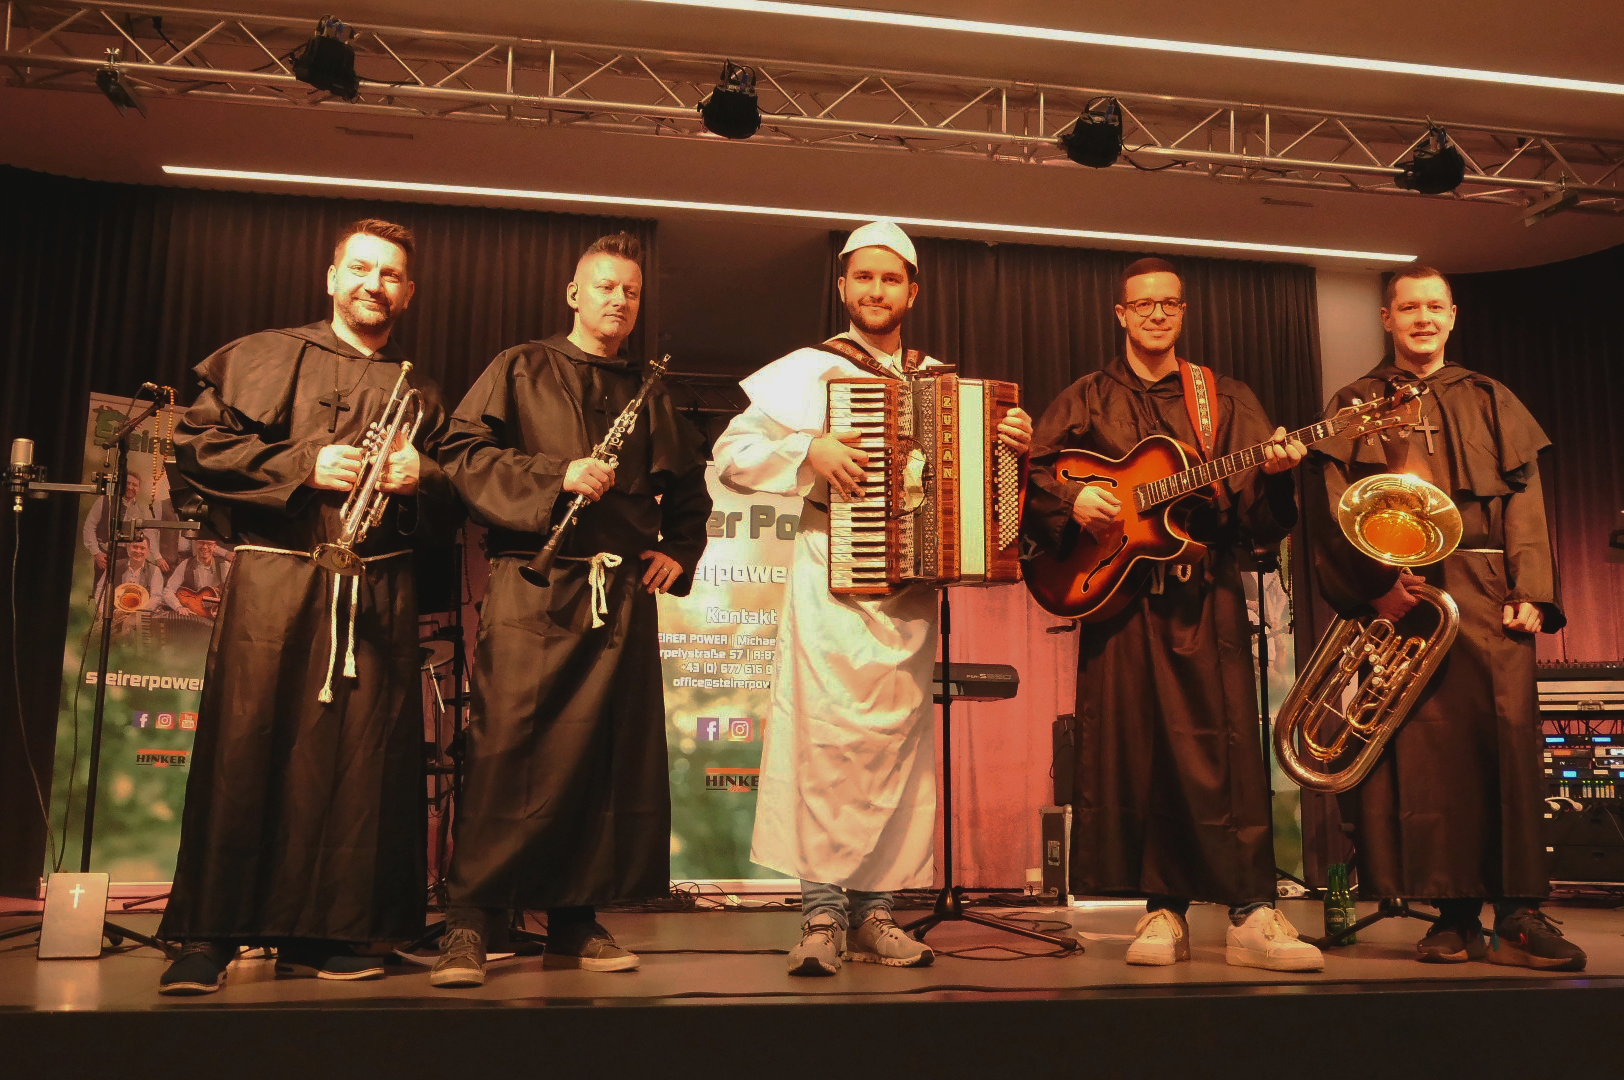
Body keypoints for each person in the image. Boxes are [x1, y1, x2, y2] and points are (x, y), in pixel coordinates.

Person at [714, 221, 1034, 976]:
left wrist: (1009, 444)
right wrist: (808, 449)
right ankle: (821, 916)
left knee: (895, 757)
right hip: (830, 578)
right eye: (864, 277)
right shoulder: (808, 371)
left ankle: (874, 915)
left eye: (891, 279)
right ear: (842, 286)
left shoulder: (945, 383)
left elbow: (981, 492)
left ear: (912, 292)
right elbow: (732, 455)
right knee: (823, 748)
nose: (876, 290)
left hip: (910, 596)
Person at [155, 219, 457, 995]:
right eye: (361, 268)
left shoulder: (422, 392)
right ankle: (211, 936)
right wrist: (306, 463)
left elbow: (451, 514)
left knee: (357, 769)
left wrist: (419, 480)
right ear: (332, 277)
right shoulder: (261, 355)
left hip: (375, 591)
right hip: (276, 584)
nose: (374, 284)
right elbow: (197, 449)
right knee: (245, 751)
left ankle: (331, 933)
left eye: (390, 275)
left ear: (408, 293)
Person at [428, 233, 711, 988]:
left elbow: (690, 488)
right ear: (573, 293)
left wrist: (680, 549)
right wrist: (557, 474)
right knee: (505, 751)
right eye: (606, 286)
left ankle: (574, 922)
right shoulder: (520, 366)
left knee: (602, 760)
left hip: (616, 596)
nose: (619, 300)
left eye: (631, 292)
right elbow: (461, 454)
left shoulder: (649, 390)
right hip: (533, 585)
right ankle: (470, 921)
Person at [1025, 257, 1323, 972]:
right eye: (1143, 305)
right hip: (1118, 600)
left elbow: (1257, 519)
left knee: (1225, 753)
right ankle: (1162, 911)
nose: (1156, 314)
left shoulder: (1224, 398)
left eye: (1169, 304)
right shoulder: (1085, 397)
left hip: (1204, 599)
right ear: (1121, 315)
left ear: (1183, 313)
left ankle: (1252, 912)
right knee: (1136, 755)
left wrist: (1277, 478)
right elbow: (1029, 473)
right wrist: (1074, 500)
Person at [1307, 265, 1581, 971]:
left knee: (1504, 749)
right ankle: (1451, 917)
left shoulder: (1491, 396)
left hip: (1490, 594)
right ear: (1386, 318)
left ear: (1453, 315)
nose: (1423, 318)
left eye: (1434, 306)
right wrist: (1375, 590)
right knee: (1424, 762)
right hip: (1406, 598)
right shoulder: (1354, 402)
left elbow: (1525, 498)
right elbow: (1334, 511)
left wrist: (1532, 588)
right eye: (1409, 308)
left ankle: (1518, 914)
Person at [83, 471, 167, 575]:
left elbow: (149, 534)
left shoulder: (141, 510)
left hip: (128, 557)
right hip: (105, 554)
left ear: (138, 489)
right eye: (127, 483)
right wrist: (96, 553)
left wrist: (157, 557)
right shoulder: (104, 501)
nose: (130, 487)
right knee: (101, 584)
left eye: (134, 485)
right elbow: (89, 527)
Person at [159, 537, 233, 618]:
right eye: (201, 543)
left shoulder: (224, 565)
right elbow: (168, 591)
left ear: (214, 546)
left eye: (209, 544)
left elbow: (233, 595)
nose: (205, 547)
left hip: (216, 618)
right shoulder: (185, 564)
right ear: (195, 543)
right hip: (193, 617)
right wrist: (178, 607)